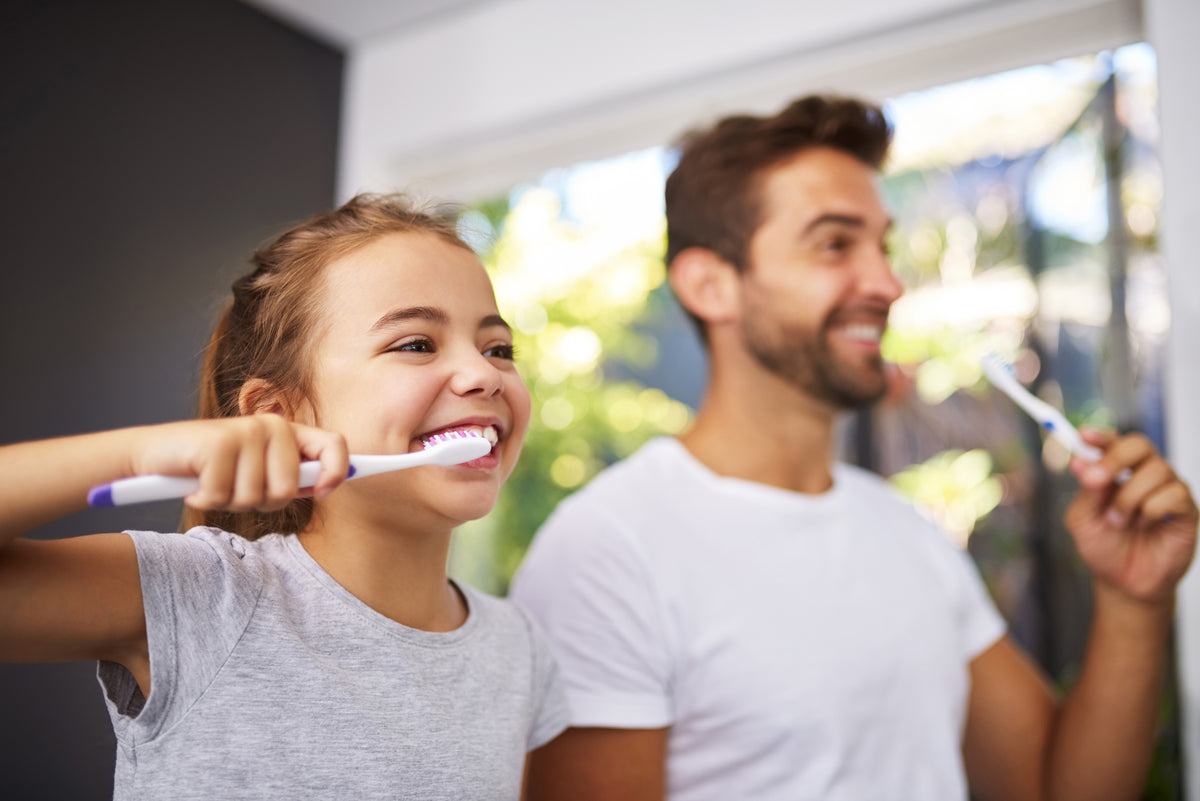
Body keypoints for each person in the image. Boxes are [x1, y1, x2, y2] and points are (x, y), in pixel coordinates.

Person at [510, 95, 1198, 800]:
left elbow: (1056, 791)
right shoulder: (605, 554)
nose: (887, 283)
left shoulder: (905, 532)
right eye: (836, 243)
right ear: (711, 284)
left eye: (883, 246)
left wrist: (1132, 603)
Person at [0, 193, 568, 799]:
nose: (483, 374)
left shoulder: (519, 651)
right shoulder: (199, 595)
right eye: (416, 344)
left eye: (498, 349)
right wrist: (136, 454)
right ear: (278, 414)